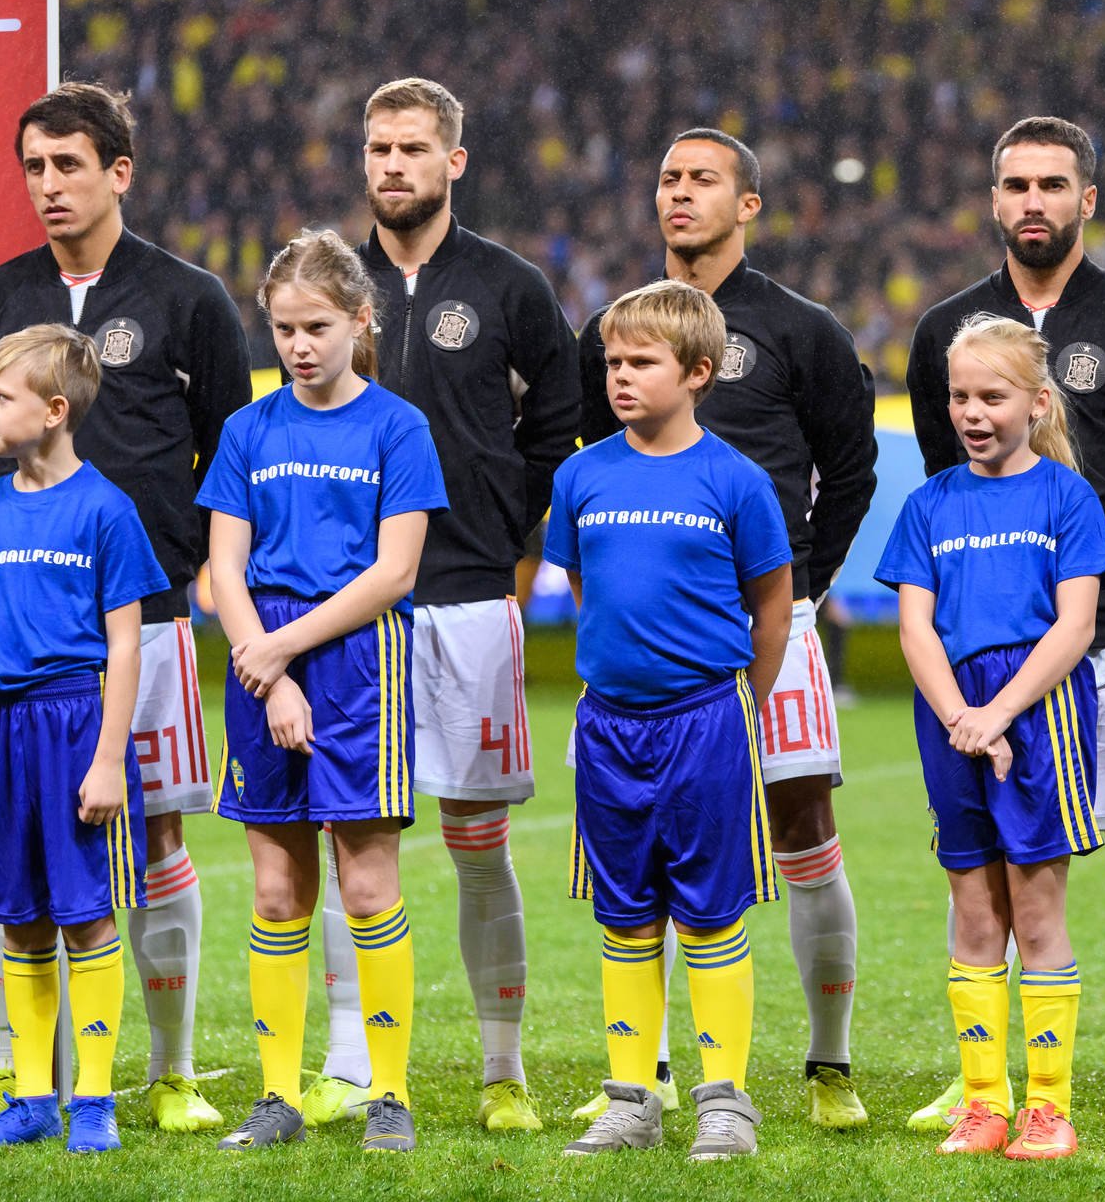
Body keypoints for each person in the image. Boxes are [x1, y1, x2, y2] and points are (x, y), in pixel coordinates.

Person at [904, 116, 1105, 1133]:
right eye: (1014, 184)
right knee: (992, 868)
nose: (1032, 201)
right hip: (985, 644)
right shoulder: (948, 326)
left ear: (1089, 199)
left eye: (1052, 184)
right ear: (994, 199)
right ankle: (981, 1076)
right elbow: (951, 468)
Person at [576, 129, 877, 1128]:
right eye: (668, 177)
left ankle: (827, 1063)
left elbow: (852, 472)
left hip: (764, 629)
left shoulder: (803, 330)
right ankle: (646, 1075)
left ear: (748, 204)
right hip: (653, 657)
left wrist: (798, 597)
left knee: (801, 831)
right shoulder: (616, 330)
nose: (681, 193)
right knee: (646, 859)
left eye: (704, 179)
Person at [295, 78, 578, 1135]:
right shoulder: (329, 283)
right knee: (346, 832)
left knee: (477, 836)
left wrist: (513, 540)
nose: (392, 166)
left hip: (465, 595)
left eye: (414, 148)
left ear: (455, 161)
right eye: (378, 148)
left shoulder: (506, 285)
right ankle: (344, 1058)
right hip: (346, 608)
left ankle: (501, 1068)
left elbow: (556, 426)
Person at [0, 82, 250, 1134]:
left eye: (69, 164)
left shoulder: (190, 299)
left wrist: (212, 581)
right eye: (34, 167)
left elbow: (231, 457)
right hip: (24, 628)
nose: (48, 185)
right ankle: (37, 1084)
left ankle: (169, 1069)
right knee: (32, 866)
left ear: (119, 171)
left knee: (159, 841)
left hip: (150, 619)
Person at [198, 231, 448, 1154]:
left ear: (359, 320)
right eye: (283, 329)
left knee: (368, 879)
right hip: (263, 653)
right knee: (274, 891)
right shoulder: (247, 430)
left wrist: (279, 656)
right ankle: (277, 1098)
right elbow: (223, 562)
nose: (298, 346)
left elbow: (394, 572)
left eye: (316, 327)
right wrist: (263, 666)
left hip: (355, 661)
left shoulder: (398, 427)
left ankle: (389, 1095)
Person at [549, 279, 793, 1162]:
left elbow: (772, 607)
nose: (620, 376)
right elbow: (585, 592)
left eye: (641, 362)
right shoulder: (580, 475)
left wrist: (741, 706)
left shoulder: (736, 478)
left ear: (696, 372)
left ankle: (724, 1101)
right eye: (613, 361)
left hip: (707, 719)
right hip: (611, 723)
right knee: (623, 915)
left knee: (712, 915)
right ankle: (632, 1099)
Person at [877, 313, 1105, 1161]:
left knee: (1037, 906)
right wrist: (960, 720)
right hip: (953, 714)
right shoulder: (928, 502)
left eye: (992, 395)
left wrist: (1000, 713)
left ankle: (1049, 1109)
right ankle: (984, 1103)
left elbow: (1075, 625)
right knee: (974, 910)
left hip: (1036, 711)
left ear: (1037, 401)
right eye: (958, 397)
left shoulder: (1065, 495)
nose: (972, 412)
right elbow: (915, 629)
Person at [0, 325, 163, 1152]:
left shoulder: (105, 509)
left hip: (72, 723)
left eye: (0, 396)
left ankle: (93, 1098)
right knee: (18, 918)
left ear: (55, 411)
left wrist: (106, 761)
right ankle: (31, 1096)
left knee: (86, 916)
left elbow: (125, 643)